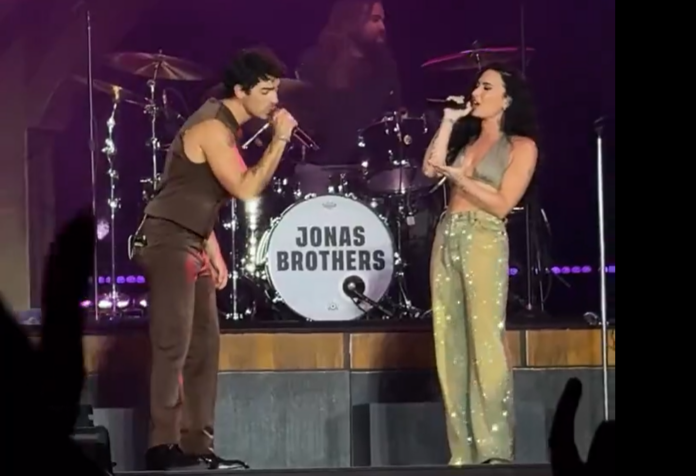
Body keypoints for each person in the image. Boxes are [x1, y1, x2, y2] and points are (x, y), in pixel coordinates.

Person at [135, 47, 297, 471]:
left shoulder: (227, 127)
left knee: (204, 346)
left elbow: (196, 189)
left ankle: (196, 447)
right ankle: (162, 446)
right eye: (266, 90)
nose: (274, 99)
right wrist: (280, 138)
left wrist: (212, 246)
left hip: (192, 238)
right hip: (168, 239)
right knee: (173, 343)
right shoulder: (211, 126)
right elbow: (245, 188)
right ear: (240, 91)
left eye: (275, 89)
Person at [422, 64, 540, 466]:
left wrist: (462, 178)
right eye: (477, 85)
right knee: (450, 341)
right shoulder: (467, 142)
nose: (476, 92)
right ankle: (463, 451)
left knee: (485, 341)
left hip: (483, 236)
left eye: (487, 87)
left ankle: (494, 449)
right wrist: (448, 121)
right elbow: (429, 169)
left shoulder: (521, 146)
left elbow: (503, 203)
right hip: (449, 233)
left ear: (506, 100)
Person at [293, 0, 401, 191]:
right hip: (323, 167)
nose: (382, 27)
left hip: (372, 168)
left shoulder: (385, 64)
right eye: (375, 20)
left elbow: (394, 112)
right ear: (352, 20)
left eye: (383, 20)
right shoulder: (315, 62)